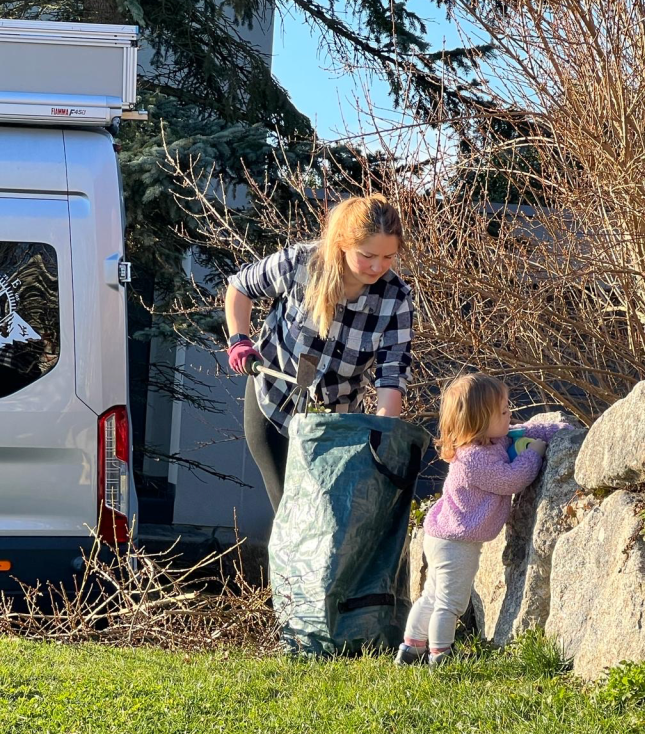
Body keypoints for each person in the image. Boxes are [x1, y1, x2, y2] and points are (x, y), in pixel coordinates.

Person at [224, 194, 413, 512]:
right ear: (342, 242)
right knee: (290, 512)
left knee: (325, 515)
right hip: (274, 403)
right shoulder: (299, 263)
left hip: (333, 423)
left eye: (388, 257)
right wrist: (239, 340)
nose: (378, 266)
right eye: (368, 255)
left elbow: (392, 375)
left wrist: (383, 432)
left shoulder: (396, 299)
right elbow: (240, 287)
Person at [395, 372, 569, 668]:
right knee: (451, 603)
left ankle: (411, 648)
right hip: (456, 543)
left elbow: (522, 430)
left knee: (432, 595)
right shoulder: (475, 459)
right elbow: (511, 480)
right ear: (478, 421)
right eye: (502, 411)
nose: (509, 413)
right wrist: (533, 456)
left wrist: (553, 430)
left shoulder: (489, 441)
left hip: (443, 537)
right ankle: (441, 655)